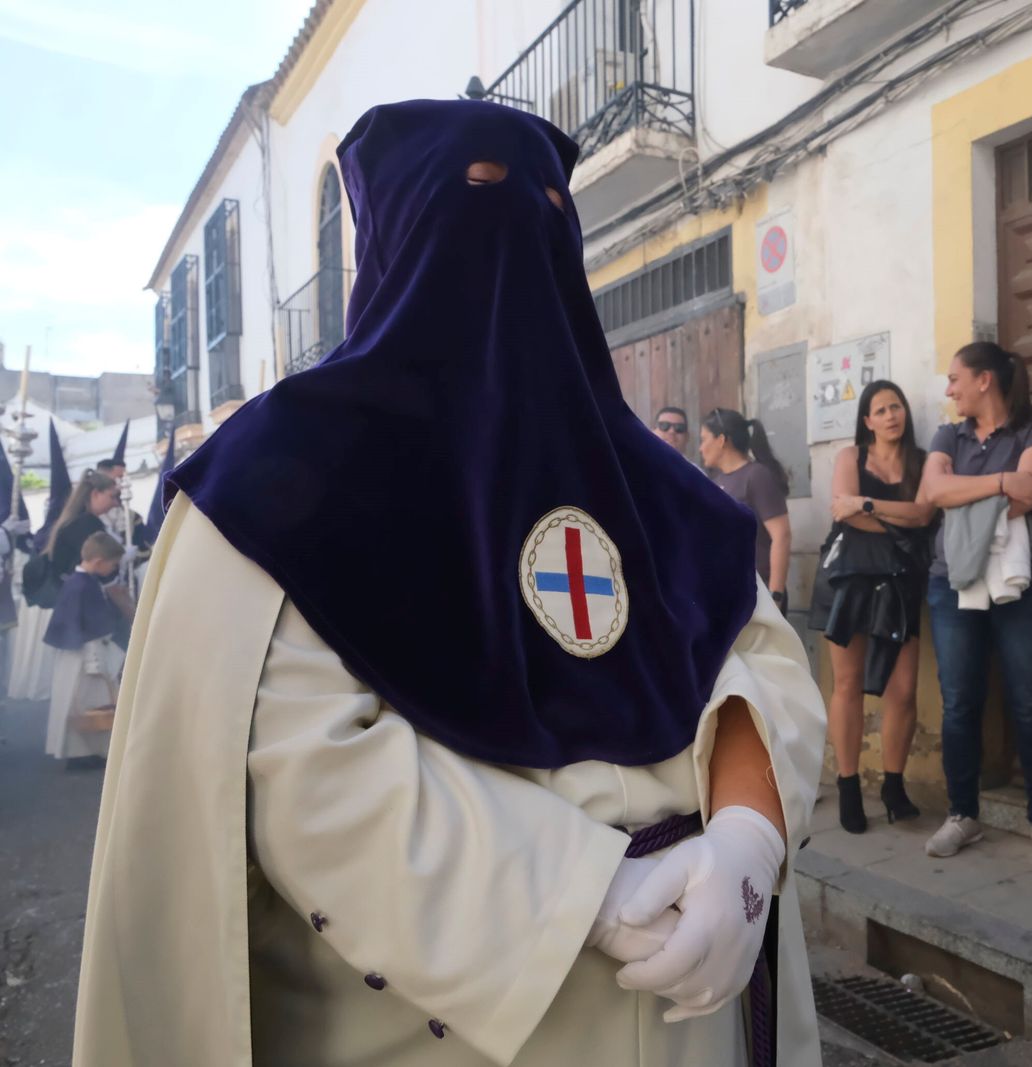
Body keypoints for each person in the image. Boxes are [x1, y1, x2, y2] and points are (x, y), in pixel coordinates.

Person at [74, 99, 827, 1067]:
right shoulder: (276, 480)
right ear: (396, 238)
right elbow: (300, 759)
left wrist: (748, 838)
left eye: (547, 210)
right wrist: (579, 896)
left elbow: (758, 659)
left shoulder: (656, 484)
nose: (512, 236)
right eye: (474, 199)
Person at [918, 342, 1032, 869]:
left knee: (1030, 700)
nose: (948, 388)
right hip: (952, 578)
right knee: (960, 702)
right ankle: (963, 814)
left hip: (1025, 583)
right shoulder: (947, 434)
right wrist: (1001, 480)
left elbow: (1030, 493)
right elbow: (932, 493)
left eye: (955, 377)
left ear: (985, 380)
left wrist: (978, 489)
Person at [810, 380, 935, 833]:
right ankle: (847, 785)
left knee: (903, 691)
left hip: (900, 582)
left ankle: (894, 786)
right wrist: (897, 516)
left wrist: (867, 504)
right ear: (867, 421)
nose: (890, 415)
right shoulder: (851, 458)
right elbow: (844, 515)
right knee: (848, 686)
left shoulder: (920, 462)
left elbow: (924, 515)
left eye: (895, 406)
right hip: (850, 580)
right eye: (880, 410)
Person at [42, 532, 130, 765]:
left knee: (78, 702)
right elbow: (90, 629)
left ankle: (82, 751)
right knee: (88, 703)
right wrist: (97, 664)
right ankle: (84, 753)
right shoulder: (84, 586)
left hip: (76, 653)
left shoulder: (77, 582)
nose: (113, 568)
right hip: (86, 656)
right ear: (100, 562)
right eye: (112, 564)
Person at [700, 408, 792, 614]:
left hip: (758, 596)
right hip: (727, 592)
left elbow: (782, 535)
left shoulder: (756, 475)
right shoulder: (717, 481)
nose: (701, 448)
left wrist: (775, 594)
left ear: (721, 440)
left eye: (704, 439)